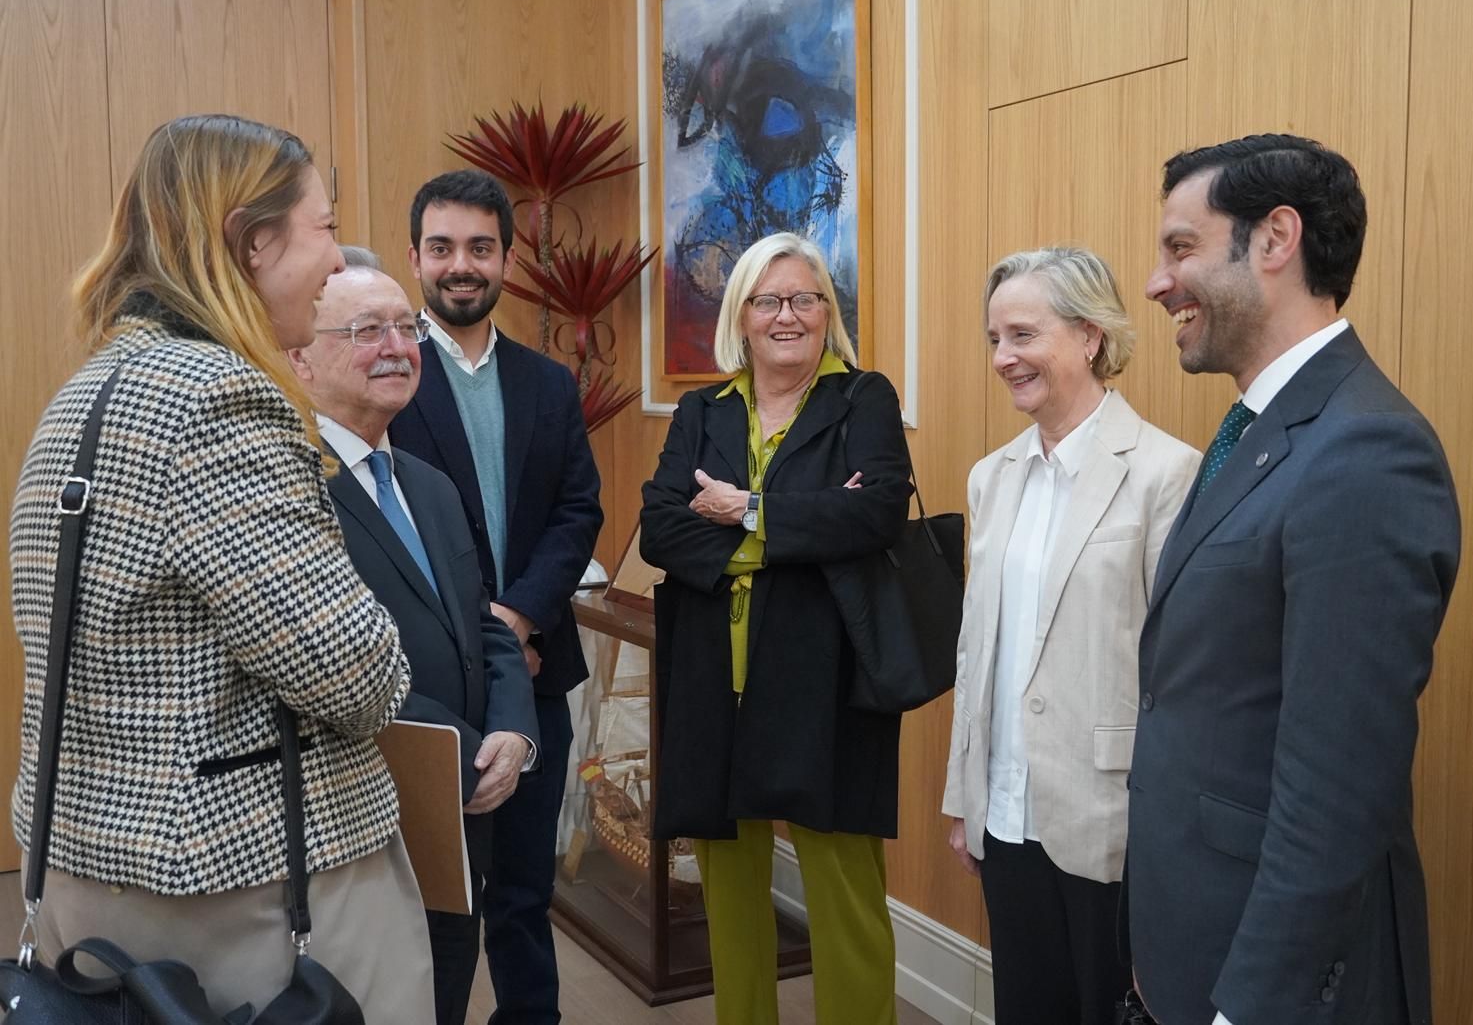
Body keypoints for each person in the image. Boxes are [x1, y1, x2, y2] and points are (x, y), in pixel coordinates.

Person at [8, 114, 433, 1019]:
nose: (333, 261)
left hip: (96, 868)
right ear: (250, 241)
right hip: (245, 893)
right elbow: (356, 674)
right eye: (324, 227)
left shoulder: (85, 392)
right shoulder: (217, 398)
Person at [1127, 134, 1462, 1025]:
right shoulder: (1258, 431)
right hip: (1199, 934)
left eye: (1181, 247)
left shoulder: (1366, 452)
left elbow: (1338, 792)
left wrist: (1253, 1006)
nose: (1158, 283)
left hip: (1280, 985)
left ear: (1276, 240)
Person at [640, 231, 913, 1025]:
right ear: (742, 315)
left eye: (804, 299)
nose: (786, 316)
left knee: (844, 895)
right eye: (768, 300)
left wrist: (744, 511)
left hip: (824, 679)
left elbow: (876, 514)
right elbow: (660, 530)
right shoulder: (702, 409)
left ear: (828, 312)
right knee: (730, 896)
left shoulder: (865, 399)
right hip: (711, 681)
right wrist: (797, 533)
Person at [941, 247, 1199, 1024]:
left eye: (1023, 334)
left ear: (1090, 336)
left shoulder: (1165, 474)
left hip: (1109, 819)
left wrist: (1168, 827)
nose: (1003, 358)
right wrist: (964, 791)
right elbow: (976, 647)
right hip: (1007, 814)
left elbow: (1178, 672)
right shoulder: (993, 476)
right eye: (993, 339)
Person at [288, 249, 540, 1025]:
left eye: (407, 328)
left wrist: (512, 732)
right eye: (367, 330)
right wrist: (463, 746)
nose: (397, 347)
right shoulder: (291, 487)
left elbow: (484, 627)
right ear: (299, 356)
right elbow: (318, 665)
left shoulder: (428, 482)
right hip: (360, 825)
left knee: (447, 997)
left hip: (462, 825)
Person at [389, 169, 603, 1025]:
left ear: (508, 260)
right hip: (425, 690)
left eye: (481, 248)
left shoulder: (547, 383)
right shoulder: (384, 372)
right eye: (441, 248)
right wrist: (482, 631)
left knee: (522, 895)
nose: (461, 266)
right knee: (431, 909)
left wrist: (518, 615)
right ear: (415, 258)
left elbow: (577, 509)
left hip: (537, 672)